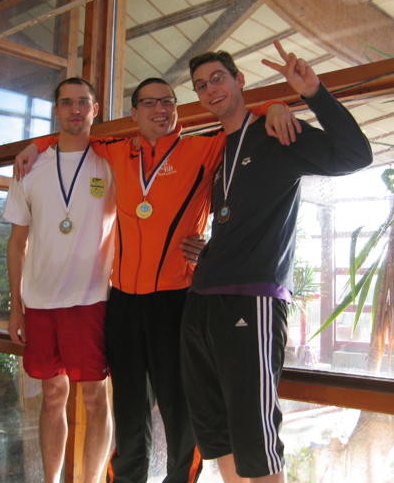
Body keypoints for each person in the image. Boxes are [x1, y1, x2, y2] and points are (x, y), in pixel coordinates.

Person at [15, 79, 300, 483]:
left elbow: (239, 121)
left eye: (167, 102)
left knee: (179, 405)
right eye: (149, 103)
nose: (160, 110)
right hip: (123, 301)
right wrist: (36, 145)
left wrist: (274, 105)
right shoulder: (115, 150)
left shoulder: (204, 147)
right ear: (134, 113)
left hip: (177, 298)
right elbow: (74, 134)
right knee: (129, 406)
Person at [180, 40, 373, 482]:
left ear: (239, 80)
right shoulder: (216, 147)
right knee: (215, 430)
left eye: (217, 78)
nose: (210, 90)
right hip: (202, 299)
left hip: (252, 299)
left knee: (256, 437)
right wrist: (209, 250)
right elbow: (237, 215)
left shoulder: (276, 133)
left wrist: (313, 94)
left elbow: (356, 155)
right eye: (200, 85)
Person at [5, 77, 115, 483]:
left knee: (96, 397)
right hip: (39, 302)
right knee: (52, 395)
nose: (75, 110)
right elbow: (16, 243)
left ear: (95, 109)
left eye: (83, 102)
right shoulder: (29, 167)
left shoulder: (110, 161)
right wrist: (16, 306)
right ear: (56, 111)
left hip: (91, 300)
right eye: (67, 103)